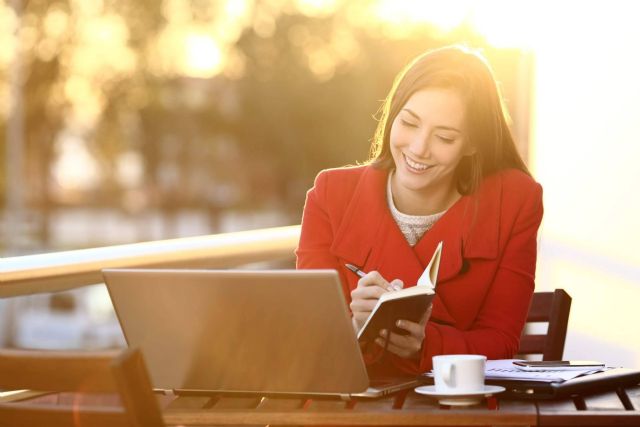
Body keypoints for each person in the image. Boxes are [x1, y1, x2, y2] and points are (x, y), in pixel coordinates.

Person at [295, 45, 543, 376]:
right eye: (409, 123)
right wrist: (355, 325)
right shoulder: (330, 195)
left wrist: (428, 344)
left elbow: (501, 343)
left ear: (472, 144)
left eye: (444, 137)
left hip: (454, 408)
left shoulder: (514, 201)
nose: (418, 148)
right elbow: (308, 340)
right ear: (393, 114)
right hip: (347, 407)